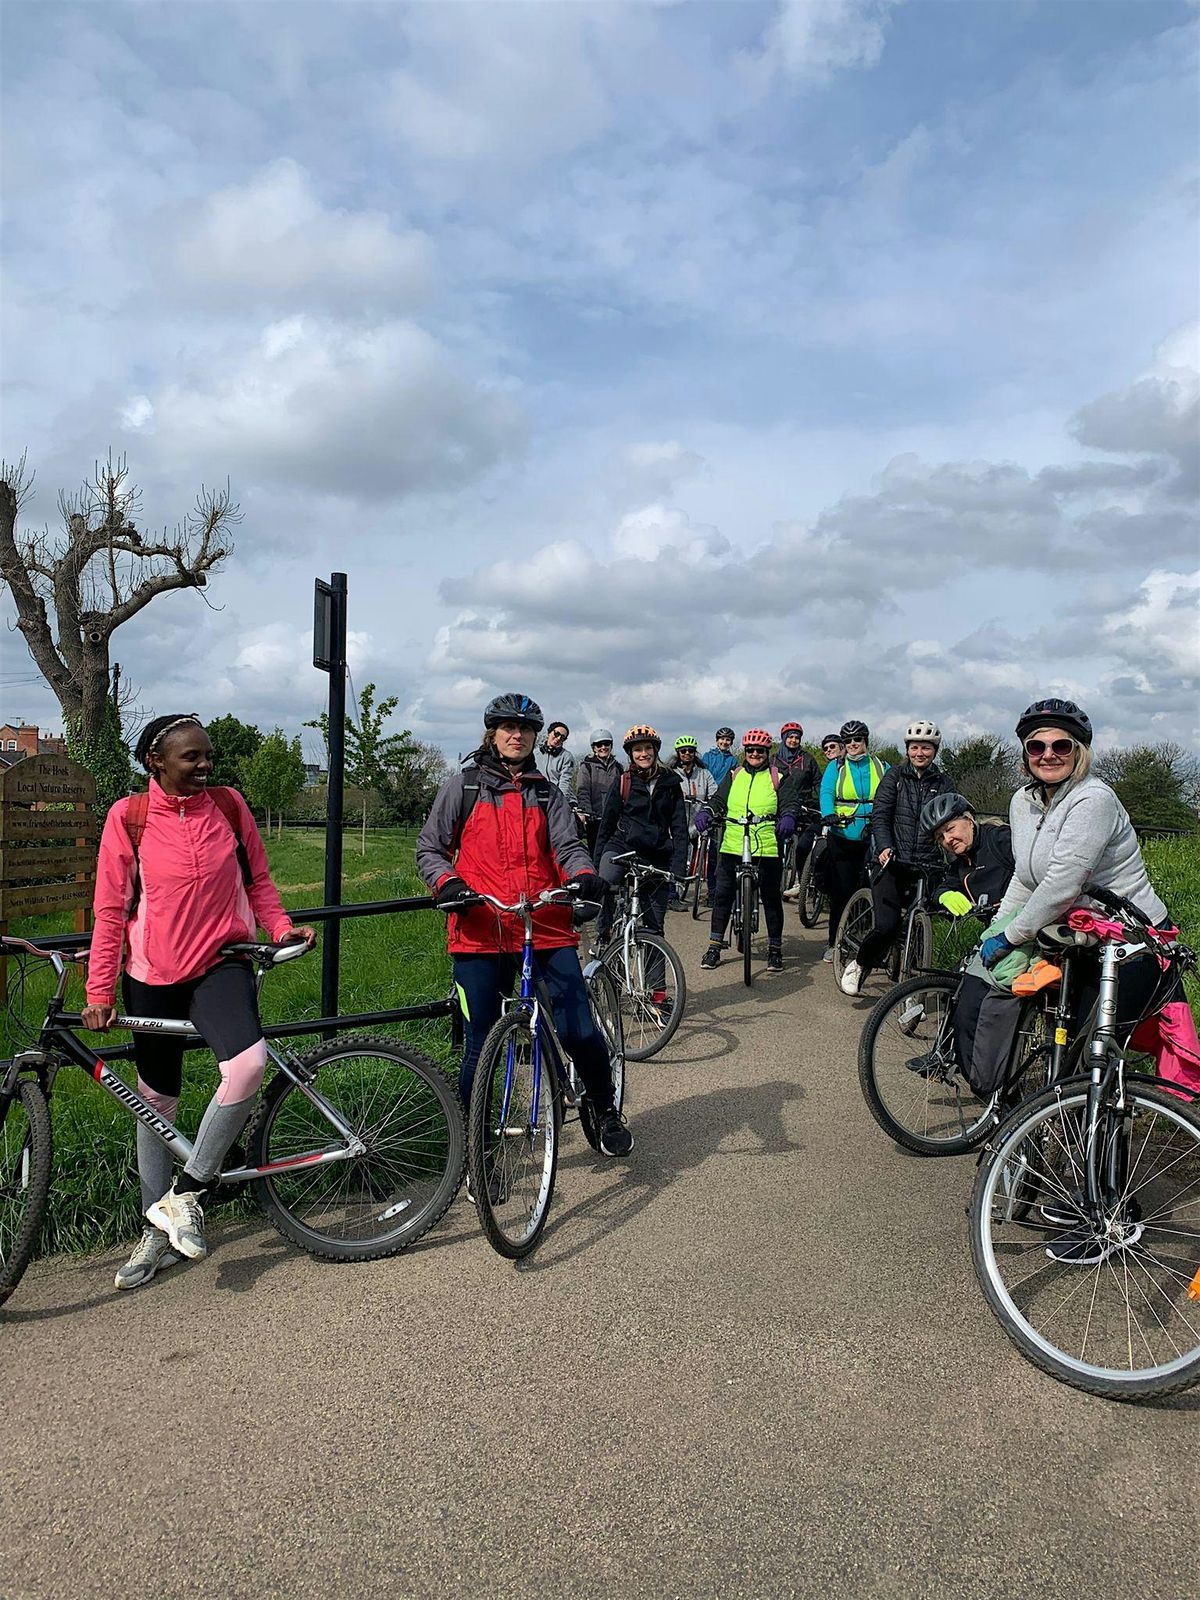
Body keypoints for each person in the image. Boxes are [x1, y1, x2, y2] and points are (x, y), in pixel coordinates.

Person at [83, 714, 316, 1289]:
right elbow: (111, 910)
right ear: (155, 763)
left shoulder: (229, 807)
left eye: (207, 755)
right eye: (192, 758)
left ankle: (187, 1192)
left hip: (222, 963)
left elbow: (258, 881)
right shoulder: (129, 818)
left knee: (247, 1064)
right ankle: (155, 1233)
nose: (205, 765)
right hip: (151, 974)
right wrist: (99, 990)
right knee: (155, 1101)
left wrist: (280, 925)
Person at [416, 693, 631, 1157]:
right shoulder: (463, 787)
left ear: (535, 736)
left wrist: (582, 875)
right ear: (492, 733)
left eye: (525, 728)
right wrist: (447, 883)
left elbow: (567, 846)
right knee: (480, 1043)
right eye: (507, 727)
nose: (517, 735)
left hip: (545, 925)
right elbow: (430, 848)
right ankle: (477, 1148)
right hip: (480, 929)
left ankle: (604, 1105)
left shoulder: (547, 794)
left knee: (577, 1029)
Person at [840, 720, 953, 995]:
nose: (920, 753)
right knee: (887, 925)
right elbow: (881, 815)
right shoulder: (894, 777)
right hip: (892, 861)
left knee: (927, 921)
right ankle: (859, 963)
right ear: (908, 749)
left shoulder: (944, 782)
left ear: (934, 751)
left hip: (927, 863)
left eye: (926, 748)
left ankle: (911, 988)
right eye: (915, 747)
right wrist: (884, 846)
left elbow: (952, 819)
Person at [592, 725, 689, 1013]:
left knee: (654, 930)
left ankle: (657, 999)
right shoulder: (623, 782)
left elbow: (679, 827)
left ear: (655, 751)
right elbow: (607, 823)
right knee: (605, 884)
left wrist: (678, 868)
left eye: (647, 748)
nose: (643, 753)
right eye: (637, 749)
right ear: (631, 754)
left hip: (656, 854)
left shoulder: (671, 782)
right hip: (621, 847)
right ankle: (605, 932)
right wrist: (596, 862)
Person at [696, 729, 799, 973]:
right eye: (750, 750)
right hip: (733, 842)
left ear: (767, 753)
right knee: (722, 895)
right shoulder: (735, 775)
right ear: (745, 752)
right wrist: (707, 812)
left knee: (772, 898)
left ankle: (775, 949)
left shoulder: (778, 777)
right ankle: (714, 947)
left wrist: (788, 816)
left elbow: (789, 802)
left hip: (766, 844)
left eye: (760, 751)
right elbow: (719, 800)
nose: (755, 754)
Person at [817, 721, 888, 964]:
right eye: (848, 741)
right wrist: (828, 812)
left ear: (866, 740)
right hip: (844, 835)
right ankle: (834, 943)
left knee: (877, 889)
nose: (853, 744)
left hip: (874, 835)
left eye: (857, 739)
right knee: (842, 892)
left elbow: (892, 793)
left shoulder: (881, 765)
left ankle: (872, 940)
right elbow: (826, 791)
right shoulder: (836, 766)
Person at [923, 791, 1014, 918]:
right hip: (996, 928)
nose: (947, 839)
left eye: (950, 829)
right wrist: (944, 896)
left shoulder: (1000, 838)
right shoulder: (959, 862)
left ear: (970, 821)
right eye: (940, 837)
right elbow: (943, 888)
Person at [668, 736, 716, 909]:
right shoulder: (671, 773)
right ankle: (672, 895)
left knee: (712, 857)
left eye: (690, 750)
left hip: (699, 822)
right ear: (678, 753)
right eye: (683, 751)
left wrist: (708, 806)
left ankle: (712, 893)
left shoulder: (704, 774)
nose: (687, 753)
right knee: (674, 859)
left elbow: (714, 795)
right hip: (678, 824)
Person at [776, 721, 821, 897]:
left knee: (803, 847)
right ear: (784, 738)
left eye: (797, 737)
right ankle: (772, 882)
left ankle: (800, 882)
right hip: (781, 807)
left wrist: (817, 801)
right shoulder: (774, 759)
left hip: (805, 807)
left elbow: (818, 782)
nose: (794, 740)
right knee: (775, 847)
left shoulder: (808, 759)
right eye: (791, 737)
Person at [700, 729, 739, 902]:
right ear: (717, 741)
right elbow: (702, 775)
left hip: (724, 803)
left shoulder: (733, 760)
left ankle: (713, 891)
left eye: (728, 740)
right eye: (722, 739)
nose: (725, 742)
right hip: (708, 800)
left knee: (717, 851)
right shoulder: (707, 757)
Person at [574, 730, 623, 855]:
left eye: (606, 744)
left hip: (614, 819)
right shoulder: (587, 767)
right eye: (599, 745)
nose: (603, 747)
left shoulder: (618, 767)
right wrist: (587, 812)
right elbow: (583, 791)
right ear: (593, 748)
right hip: (595, 820)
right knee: (596, 852)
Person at [539, 720, 577, 797]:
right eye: (556, 734)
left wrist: (559, 801)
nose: (558, 738)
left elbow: (565, 783)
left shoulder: (567, 756)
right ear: (549, 733)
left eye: (563, 737)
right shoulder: (534, 753)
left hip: (559, 798)